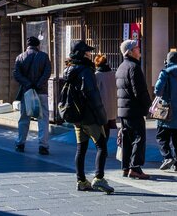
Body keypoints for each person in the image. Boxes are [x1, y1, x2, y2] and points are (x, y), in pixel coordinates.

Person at [64, 40, 114, 194]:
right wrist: (102, 117)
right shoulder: (86, 71)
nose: (90, 54)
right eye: (87, 52)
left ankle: (81, 181)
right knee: (102, 146)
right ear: (82, 54)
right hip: (88, 116)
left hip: (77, 116)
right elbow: (93, 96)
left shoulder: (69, 70)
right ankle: (99, 178)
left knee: (81, 148)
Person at [116, 39, 151, 179]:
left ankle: (126, 167)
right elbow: (140, 91)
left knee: (127, 139)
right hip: (134, 109)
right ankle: (135, 167)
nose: (139, 49)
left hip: (123, 110)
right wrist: (148, 105)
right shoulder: (134, 67)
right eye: (136, 48)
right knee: (138, 138)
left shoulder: (121, 67)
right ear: (130, 52)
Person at [154, 51, 177, 171]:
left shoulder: (165, 72)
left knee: (161, 137)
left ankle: (168, 157)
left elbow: (158, 90)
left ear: (167, 61)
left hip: (166, 109)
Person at [13, 36, 51, 155]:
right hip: (41, 91)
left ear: (27, 45)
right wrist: (38, 84)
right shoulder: (44, 56)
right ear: (38, 45)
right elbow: (47, 72)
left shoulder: (20, 57)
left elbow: (16, 74)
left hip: (27, 92)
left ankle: (20, 143)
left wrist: (28, 84)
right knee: (43, 119)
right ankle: (43, 146)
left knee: (24, 118)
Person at [94, 54, 117, 133]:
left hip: (102, 106)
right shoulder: (114, 74)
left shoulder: (97, 75)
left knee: (102, 130)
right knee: (110, 128)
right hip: (113, 105)